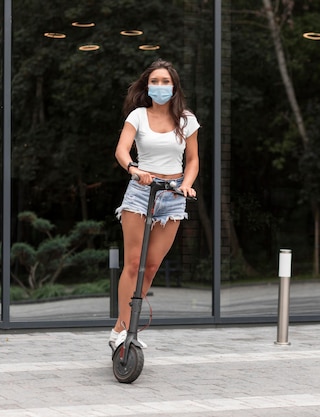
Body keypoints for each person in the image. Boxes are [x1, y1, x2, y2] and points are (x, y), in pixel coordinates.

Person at [111, 59, 200, 347]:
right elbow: (122, 150)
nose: (160, 86)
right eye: (155, 81)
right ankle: (124, 330)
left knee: (150, 267)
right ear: (147, 86)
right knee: (133, 263)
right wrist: (134, 169)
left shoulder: (186, 120)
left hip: (173, 195)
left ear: (174, 87)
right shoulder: (137, 116)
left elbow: (193, 160)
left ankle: (123, 329)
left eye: (165, 82)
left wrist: (186, 185)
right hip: (140, 192)